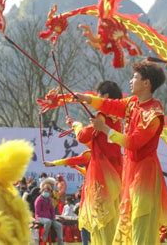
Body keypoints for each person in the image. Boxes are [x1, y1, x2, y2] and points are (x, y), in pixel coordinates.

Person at [76, 61, 167, 244]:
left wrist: (104, 129)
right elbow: (112, 105)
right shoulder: (133, 103)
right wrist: (87, 99)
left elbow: (134, 143)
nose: (131, 81)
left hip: (146, 176)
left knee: (141, 228)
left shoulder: (153, 115)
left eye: (135, 77)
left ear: (146, 83)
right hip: (131, 172)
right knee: (129, 227)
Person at [45, 80, 124, 245]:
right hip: (116, 173)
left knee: (101, 220)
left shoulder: (101, 116)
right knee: (112, 216)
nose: (96, 98)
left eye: (99, 95)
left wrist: (76, 124)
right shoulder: (117, 119)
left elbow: (82, 136)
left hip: (102, 174)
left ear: (106, 96)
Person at [34, 179, 64, 245]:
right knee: (48, 221)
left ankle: (60, 242)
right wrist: (48, 216)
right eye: (45, 190)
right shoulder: (39, 200)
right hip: (40, 217)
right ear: (42, 191)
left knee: (59, 225)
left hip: (49, 218)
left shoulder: (49, 200)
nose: (47, 192)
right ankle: (44, 236)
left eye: (48, 191)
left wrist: (53, 217)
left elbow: (52, 210)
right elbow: (37, 212)